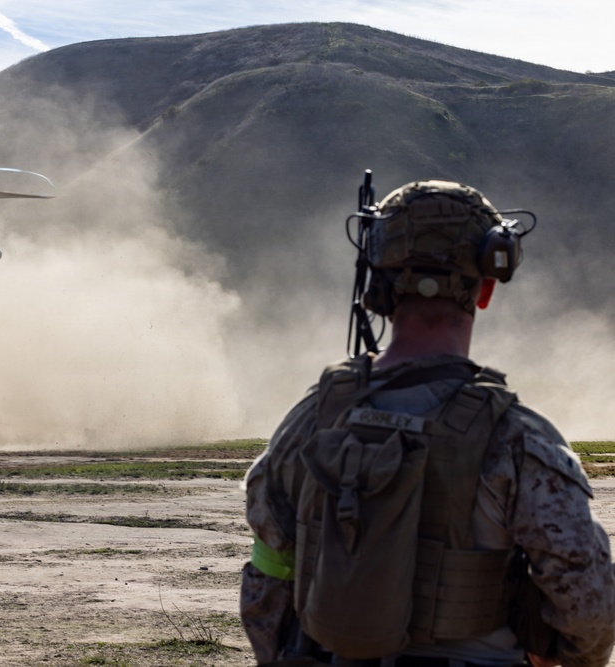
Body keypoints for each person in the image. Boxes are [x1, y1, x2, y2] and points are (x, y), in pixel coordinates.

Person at [241, 179, 615, 667]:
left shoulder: (311, 420)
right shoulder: (518, 439)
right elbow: (589, 611)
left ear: (378, 285)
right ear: (485, 288)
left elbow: (266, 584)